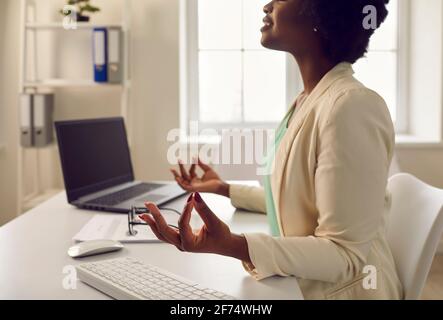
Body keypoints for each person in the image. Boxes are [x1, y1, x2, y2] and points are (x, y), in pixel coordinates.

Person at [140, 0, 403, 299]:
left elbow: (344, 254)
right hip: (298, 285)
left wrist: (232, 244)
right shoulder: (307, 100)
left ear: (321, 13)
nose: (267, 6)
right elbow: (300, 202)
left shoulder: (352, 106)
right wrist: (224, 188)